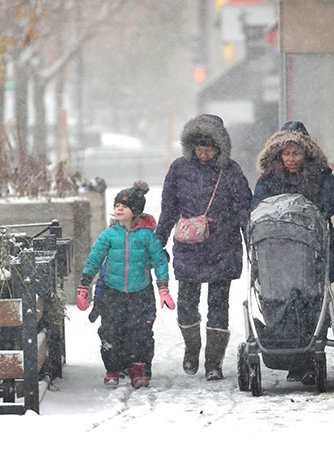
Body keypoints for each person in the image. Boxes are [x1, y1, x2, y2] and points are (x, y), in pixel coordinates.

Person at [155, 114, 253, 381]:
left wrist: (251, 242)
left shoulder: (231, 171)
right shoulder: (178, 169)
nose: (203, 153)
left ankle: (213, 362)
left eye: (208, 148)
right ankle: (192, 348)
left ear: (220, 147)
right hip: (190, 247)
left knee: (218, 306)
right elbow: (168, 209)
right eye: (199, 148)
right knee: (186, 304)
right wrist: (157, 242)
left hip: (224, 245)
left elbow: (244, 209)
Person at [251, 120, 334, 385]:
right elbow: (258, 206)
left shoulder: (321, 175)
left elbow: (331, 199)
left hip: (311, 250)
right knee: (279, 299)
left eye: (297, 153)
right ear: (279, 154)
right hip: (277, 254)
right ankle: (290, 355)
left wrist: (317, 212)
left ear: (307, 153)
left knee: (314, 299)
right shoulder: (269, 178)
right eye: (287, 153)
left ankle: (308, 357)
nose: (291, 159)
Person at [75, 180, 175, 389]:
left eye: (125, 205)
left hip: (140, 292)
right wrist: (84, 286)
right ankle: (112, 368)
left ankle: (138, 369)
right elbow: (94, 259)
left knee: (140, 332)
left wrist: (163, 288)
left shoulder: (147, 236)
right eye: (117, 205)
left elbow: (159, 261)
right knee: (111, 330)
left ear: (136, 211)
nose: (119, 208)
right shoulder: (110, 235)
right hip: (113, 291)